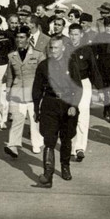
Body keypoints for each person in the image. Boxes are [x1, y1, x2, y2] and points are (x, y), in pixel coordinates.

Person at [32, 34, 82, 187]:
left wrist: (74, 105)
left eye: (56, 48)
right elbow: (37, 89)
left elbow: (78, 88)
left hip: (67, 105)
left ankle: (65, 167)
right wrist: (36, 108)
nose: (53, 51)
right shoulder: (43, 66)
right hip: (49, 104)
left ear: (63, 49)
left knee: (66, 138)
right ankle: (48, 174)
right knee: (49, 140)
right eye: (51, 48)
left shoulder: (71, 64)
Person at [65, 22, 102, 162]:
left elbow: (94, 70)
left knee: (82, 113)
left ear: (81, 35)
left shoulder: (87, 50)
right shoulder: (65, 49)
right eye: (71, 34)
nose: (74, 37)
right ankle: (69, 145)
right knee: (68, 115)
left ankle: (80, 148)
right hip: (68, 84)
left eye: (76, 34)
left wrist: (100, 88)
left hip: (83, 83)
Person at [3, 28, 42, 159]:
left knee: (34, 119)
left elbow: (43, 75)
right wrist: (8, 91)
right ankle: (13, 146)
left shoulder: (38, 55)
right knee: (17, 120)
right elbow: (10, 75)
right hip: (17, 92)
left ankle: (36, 144)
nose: (19, 40)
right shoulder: (11, 56)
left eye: (22, 37)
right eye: (17, 37)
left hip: (33, 92)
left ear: (28, 38)